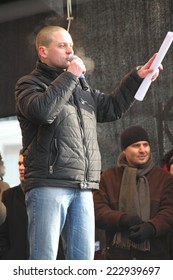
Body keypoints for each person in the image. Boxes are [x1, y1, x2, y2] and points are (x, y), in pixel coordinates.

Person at [15, 25, 162, 260]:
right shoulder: (29, 84)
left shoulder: (81, 89)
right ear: (43, 51)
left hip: (83, 187)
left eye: (71, 45)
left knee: (83, 263)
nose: (69, 50)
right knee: (44, 260)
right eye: (62, 45)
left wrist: (137, 77)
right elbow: (43, 112)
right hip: (48, 183)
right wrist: (71, 76)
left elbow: (112, 107)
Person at [93, 125, 173, 259]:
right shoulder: (108, 178)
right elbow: (97, 210)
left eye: (145, 145)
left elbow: (169, 210)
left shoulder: (163, 178)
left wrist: (152, 228)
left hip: (156, 256)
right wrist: (122, 219)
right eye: (136, 145)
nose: (142, 150)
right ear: (124, 150)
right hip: (117, 257)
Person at [0, 151, 29, 259]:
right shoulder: (8, 195)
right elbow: (3, 234)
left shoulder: (44, 198)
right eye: (19, 164)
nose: (21, 168)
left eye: (25, 164)